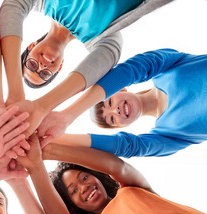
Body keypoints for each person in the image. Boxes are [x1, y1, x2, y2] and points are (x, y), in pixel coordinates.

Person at [16, 134, 207, 214]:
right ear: (71, 204)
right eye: (73, 191)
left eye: (84, 177)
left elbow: (118, 167)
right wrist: (35, 165)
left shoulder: (133, 188)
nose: (83, 187)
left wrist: (48, 151)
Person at [0, 0, 172, 137]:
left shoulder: (42, 2)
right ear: (60, 68)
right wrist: (45, 107)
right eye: (45, 73)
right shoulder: (102, 40)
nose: (42, 66)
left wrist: (15, 92)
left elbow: (13, 6)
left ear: (31, 46)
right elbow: (107, 58)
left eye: (32, 65)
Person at [40, 48, 207, 158]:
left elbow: (131, 69)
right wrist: (53, 138)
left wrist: (66, 116)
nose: (115, 111)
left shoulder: (163, 70)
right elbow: (126, 147)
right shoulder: (166, 134)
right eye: (112, 119)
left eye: (110, 101)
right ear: (121, 127)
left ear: (121, 89)